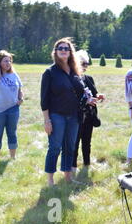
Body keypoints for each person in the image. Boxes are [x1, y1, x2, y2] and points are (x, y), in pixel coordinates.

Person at [40, 37, 94, 186]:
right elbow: (44, 99)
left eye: (66, 48)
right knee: (55, 147)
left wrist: (88, 99)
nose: (64, 51)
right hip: (57, 115)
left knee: (70, 146)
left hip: (74, 116)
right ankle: (50, 180)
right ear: (55, 52)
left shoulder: (75, 71)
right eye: (60, 48)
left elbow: (81, 92)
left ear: (71, 52)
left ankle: (68, 177)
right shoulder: (50, 72)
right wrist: (47, 120)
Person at [71, 50, 105, 172]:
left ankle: (87, 164)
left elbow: (94, 94)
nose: (86, 66)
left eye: (87, 63)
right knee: (75, 142)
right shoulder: (72, 78)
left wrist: (99, 96)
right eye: (83, 63)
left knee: (87, 141)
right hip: (77, 115)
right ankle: (73, 166)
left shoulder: (88, 78)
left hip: (89, 115)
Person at [0, 50, 23, 160]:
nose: (8, 63)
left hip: (13, 109)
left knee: (12, 133)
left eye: (10, 61)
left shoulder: (14, 75)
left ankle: (12, 158)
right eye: (5, 61)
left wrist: (20, 98)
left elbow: (20, 89)